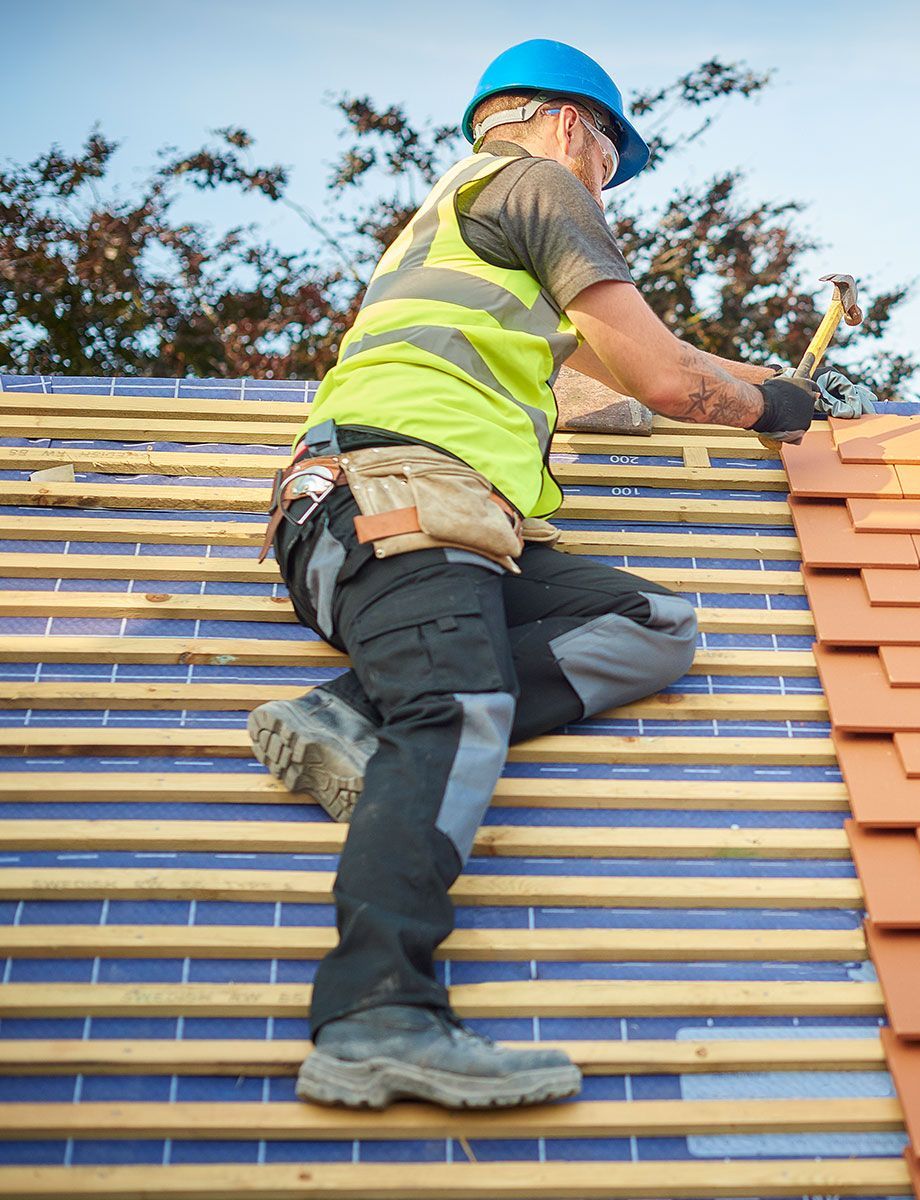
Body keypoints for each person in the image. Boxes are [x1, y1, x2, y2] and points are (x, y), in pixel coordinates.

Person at [246, 39, 876, 1112]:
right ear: (560, 120)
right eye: (606, 156)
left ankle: (352, 713)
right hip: (396, 496)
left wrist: (761, 382)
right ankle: (376, 1013)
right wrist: (773, 410)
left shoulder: (470, 232)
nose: (602, 182)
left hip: (445, 520)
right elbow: (666, 377)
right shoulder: (534, 183)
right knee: (457, 708)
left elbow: (619, 379)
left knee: (650, 625)